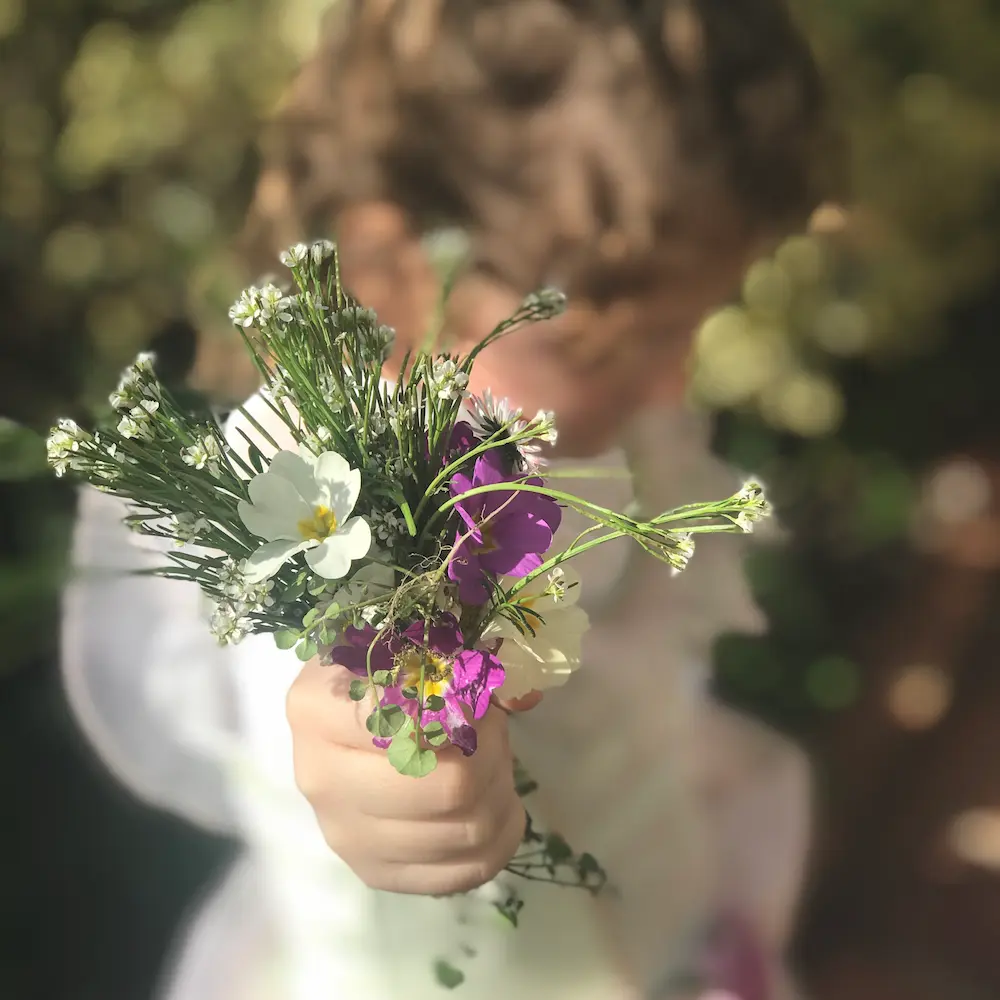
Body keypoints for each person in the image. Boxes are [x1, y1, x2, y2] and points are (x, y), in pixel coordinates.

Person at [62, 2, 834, 997]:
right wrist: (389, 772)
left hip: (650, 927)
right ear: (392, 260)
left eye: (689, 326)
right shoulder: (320, 493)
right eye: (623, 343)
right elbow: (333, 684)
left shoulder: (579, 423)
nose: (670, 385)